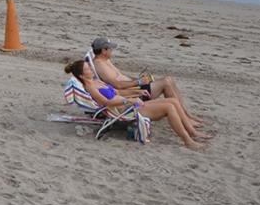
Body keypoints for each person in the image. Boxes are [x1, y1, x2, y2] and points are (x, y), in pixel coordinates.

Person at [65, 59, 203, 150]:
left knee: (173, 100)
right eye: (87, 68)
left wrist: (136, 92)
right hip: (124, 110)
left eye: (89, 66)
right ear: (82, 75)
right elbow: (106, 102)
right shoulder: (91, 87)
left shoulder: (96, 82)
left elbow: (117, 91)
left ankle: (193, 133)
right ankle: (187, 141)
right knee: (169, 107)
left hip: (127, 105)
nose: (91, 68)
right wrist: (130, 100)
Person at [88, 38, 205, 125]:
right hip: (132, 92)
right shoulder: (100, 65)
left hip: (134, 86)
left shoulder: (105, 61)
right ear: (104, 50)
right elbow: (117, 85)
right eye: (110, 48)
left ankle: (187, 115)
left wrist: (138, 79)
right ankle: (185, 118)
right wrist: (139, 82)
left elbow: (121, 76)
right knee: (166, 82)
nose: (112, 51)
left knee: (170, 79)